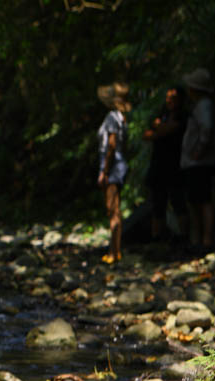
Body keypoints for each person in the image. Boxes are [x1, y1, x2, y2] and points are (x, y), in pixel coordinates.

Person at [143, 85, 189, 241]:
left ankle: (184, 237)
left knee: (178, 202)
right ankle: (157, 239)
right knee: (158, 204)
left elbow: (166, 130)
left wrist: (158, 128)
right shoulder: (162, 115)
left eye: (173, 98)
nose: (169, 100)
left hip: (176, 165)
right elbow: (148, 134)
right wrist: (159, 129)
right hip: (158, 166)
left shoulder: (182, 117)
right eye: (167, 97)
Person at [180, 68, 215, 251]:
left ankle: (204, 239)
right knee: (197, 200)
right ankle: (200, 239)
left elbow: (206, 129)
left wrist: (198, 151)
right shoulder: (202, 105)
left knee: (200, 201)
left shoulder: (203, 105)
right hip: (197, 162)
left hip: (199, 163)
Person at [96, 82, 131, 264]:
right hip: (120, 162)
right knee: (116, 209)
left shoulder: (111, 117)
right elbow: (123, 145)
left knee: (112, 210)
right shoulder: (122, 118)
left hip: (112, 164)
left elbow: (111, 145)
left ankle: (113, 252)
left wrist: (104, 170)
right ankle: (115, 250)